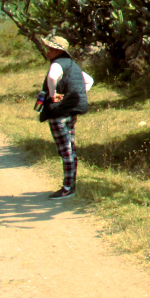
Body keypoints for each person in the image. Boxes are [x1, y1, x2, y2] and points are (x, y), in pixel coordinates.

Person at [38, 35, 92, 199]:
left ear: (56, 51)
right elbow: (89, 81)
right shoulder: (73, 65)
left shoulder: (57, 65)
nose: (47, 52)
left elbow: (52, 77)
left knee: (65, 151)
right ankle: (70, 185)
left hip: (58, 113)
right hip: (70, 113)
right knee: (70, 149)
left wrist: (54, 95)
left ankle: (68, 188)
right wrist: (75, 95)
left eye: (49, 49)